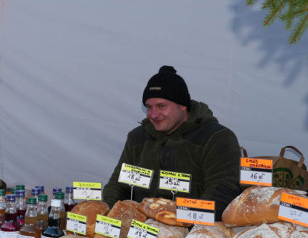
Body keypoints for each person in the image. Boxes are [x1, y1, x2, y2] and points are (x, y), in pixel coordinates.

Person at [102, 65, 241, 218]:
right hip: (140, 231)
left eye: (161, 106)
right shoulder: (137, 137)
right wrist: (104, 214)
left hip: (191, 231)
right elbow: (118, 185)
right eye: (149, 107)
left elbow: (222, 191)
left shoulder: (217, 137)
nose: (153, 115)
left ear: (182, 105)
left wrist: (182, 223)